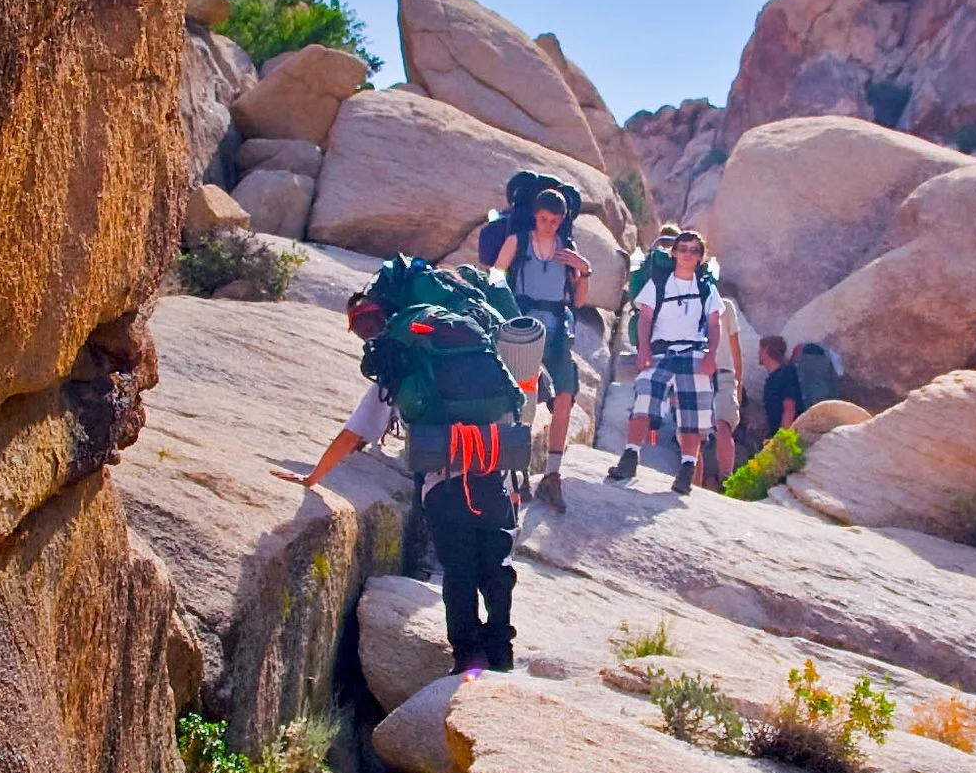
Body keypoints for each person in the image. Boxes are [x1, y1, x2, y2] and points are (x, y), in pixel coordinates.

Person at [287, 276, 518, 675]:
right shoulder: (471, 345)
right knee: (496, 567)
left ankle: (467, 657)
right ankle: (501, 652)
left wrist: (314, 477)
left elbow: (352, 434)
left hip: (442, 484)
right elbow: (511, 404)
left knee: (459, 570)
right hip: (491, 473)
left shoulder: (400, 366)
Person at [480, 172, 591, 510]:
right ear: (535, 215)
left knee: (566, 397)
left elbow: (580, 301)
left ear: (561, 220)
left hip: (557, 332)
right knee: (522, 402)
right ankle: (515, 474)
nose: (548, 225)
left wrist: (584, 270)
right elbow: (496, 279)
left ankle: (552, 476)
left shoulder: (567, 249)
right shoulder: (518, 241)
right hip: (524, 329)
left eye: (555, 220)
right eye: (543, 218)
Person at [610, 226, 718, 496]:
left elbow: (714, 325)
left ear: (700, 256)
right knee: (644, 400)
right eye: (683, 249)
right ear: (674, 253)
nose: (687, 254)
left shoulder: (706, 289)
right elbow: (645, 318)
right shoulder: (658, 284)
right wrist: (643, 349)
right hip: (661, 353)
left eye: (694, 250)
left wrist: (711, 355)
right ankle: (630, 457)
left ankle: (686, 469)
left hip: (693, 353)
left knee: (691, 415)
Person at [708, 280, 747, 487]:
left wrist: (738, 386)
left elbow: (736, 351)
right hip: (698, 376)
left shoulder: (726, 307)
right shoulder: (687, 305)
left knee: (724, 426)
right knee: (693, 434)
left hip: (723, 374)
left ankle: (726, 479)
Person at [759, 333, 806, 439]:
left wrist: (782, 441)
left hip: (789, 439)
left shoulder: (786, 374)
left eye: (760, 350)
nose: (758, 353)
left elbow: (789, 409)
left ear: (766, 350)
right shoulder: (773, 379)